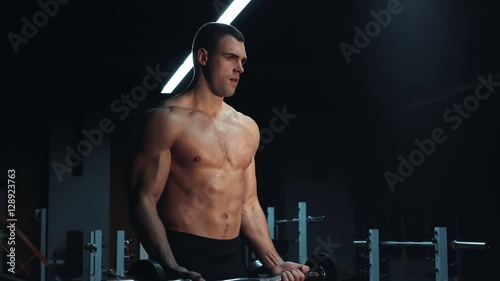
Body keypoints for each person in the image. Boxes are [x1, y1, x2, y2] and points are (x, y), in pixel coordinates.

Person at [128, 22, 309, 281]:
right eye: (230, 57)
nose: (240, 68)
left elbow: (248, 204)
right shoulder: (166, 120)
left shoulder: (247, 127)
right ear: (203, 57)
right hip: (183, 258)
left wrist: (275, 262)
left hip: (233, 258)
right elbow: (143, 201)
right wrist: (169, 265)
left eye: (243, 60)